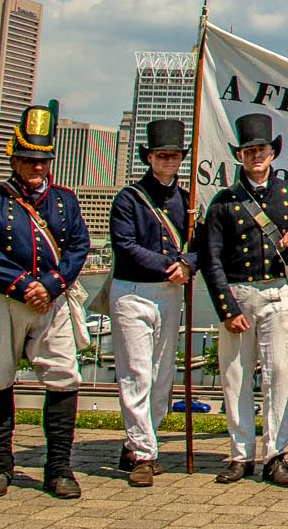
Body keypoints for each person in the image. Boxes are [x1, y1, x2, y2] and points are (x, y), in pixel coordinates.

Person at [0, 103, 91, 499]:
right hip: (5, 299)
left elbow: (78, 246)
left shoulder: (65, 200)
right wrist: (22, 285)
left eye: (43, 161)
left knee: (64, 377)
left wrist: (52, 285)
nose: (37, 168)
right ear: (14, 161)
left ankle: (58, 468)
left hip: (51, 301)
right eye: (28, 161)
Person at [199, 113, 288, 487]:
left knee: (279, 376)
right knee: (235, 378)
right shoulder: (222, 202)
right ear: (240, 154)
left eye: (262, 150)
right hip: (239, 293)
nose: (257, 156)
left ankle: (275, 454)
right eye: (250, 150)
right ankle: (241, 454)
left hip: (277, 292)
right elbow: (212, 260)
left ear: (273, 152)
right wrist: (227, 309)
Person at [108, 119, 195, 488]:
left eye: (174, 156)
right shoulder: (128, 198)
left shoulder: (187, 201)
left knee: (161, 377)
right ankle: (145, 454)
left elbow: (200, 243)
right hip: (132, 291)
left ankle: (137, 441)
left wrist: (189, 264)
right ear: (149, 157)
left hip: (170, 293)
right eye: (162, 156)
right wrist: (171, 265)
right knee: (136, 373)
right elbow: (124, 245)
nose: (169, 162)